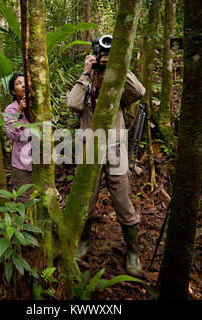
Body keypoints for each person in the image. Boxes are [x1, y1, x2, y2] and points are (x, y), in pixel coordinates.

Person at [67, 52, 146, 276]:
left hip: (115, 152)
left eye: (104, 65)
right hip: (89, 152)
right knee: (86, 199)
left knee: (122, 201)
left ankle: (133, 253)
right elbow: (72, 105)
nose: (102, 69)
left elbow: (139, 92)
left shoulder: (117, 88)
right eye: (100, 65)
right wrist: (86, 74)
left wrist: (119, 66)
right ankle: (83, 241)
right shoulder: (85, 86)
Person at [4, 73, 33, 204]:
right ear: (12, 91)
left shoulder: (40, 104)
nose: (23, 85)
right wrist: (20, 111)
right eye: (18, 83)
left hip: (42, 160)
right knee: (23, 200)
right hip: (22, 164)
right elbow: (11, 134)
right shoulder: (11, 109)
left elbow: (53, 127)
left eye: (25, 82)